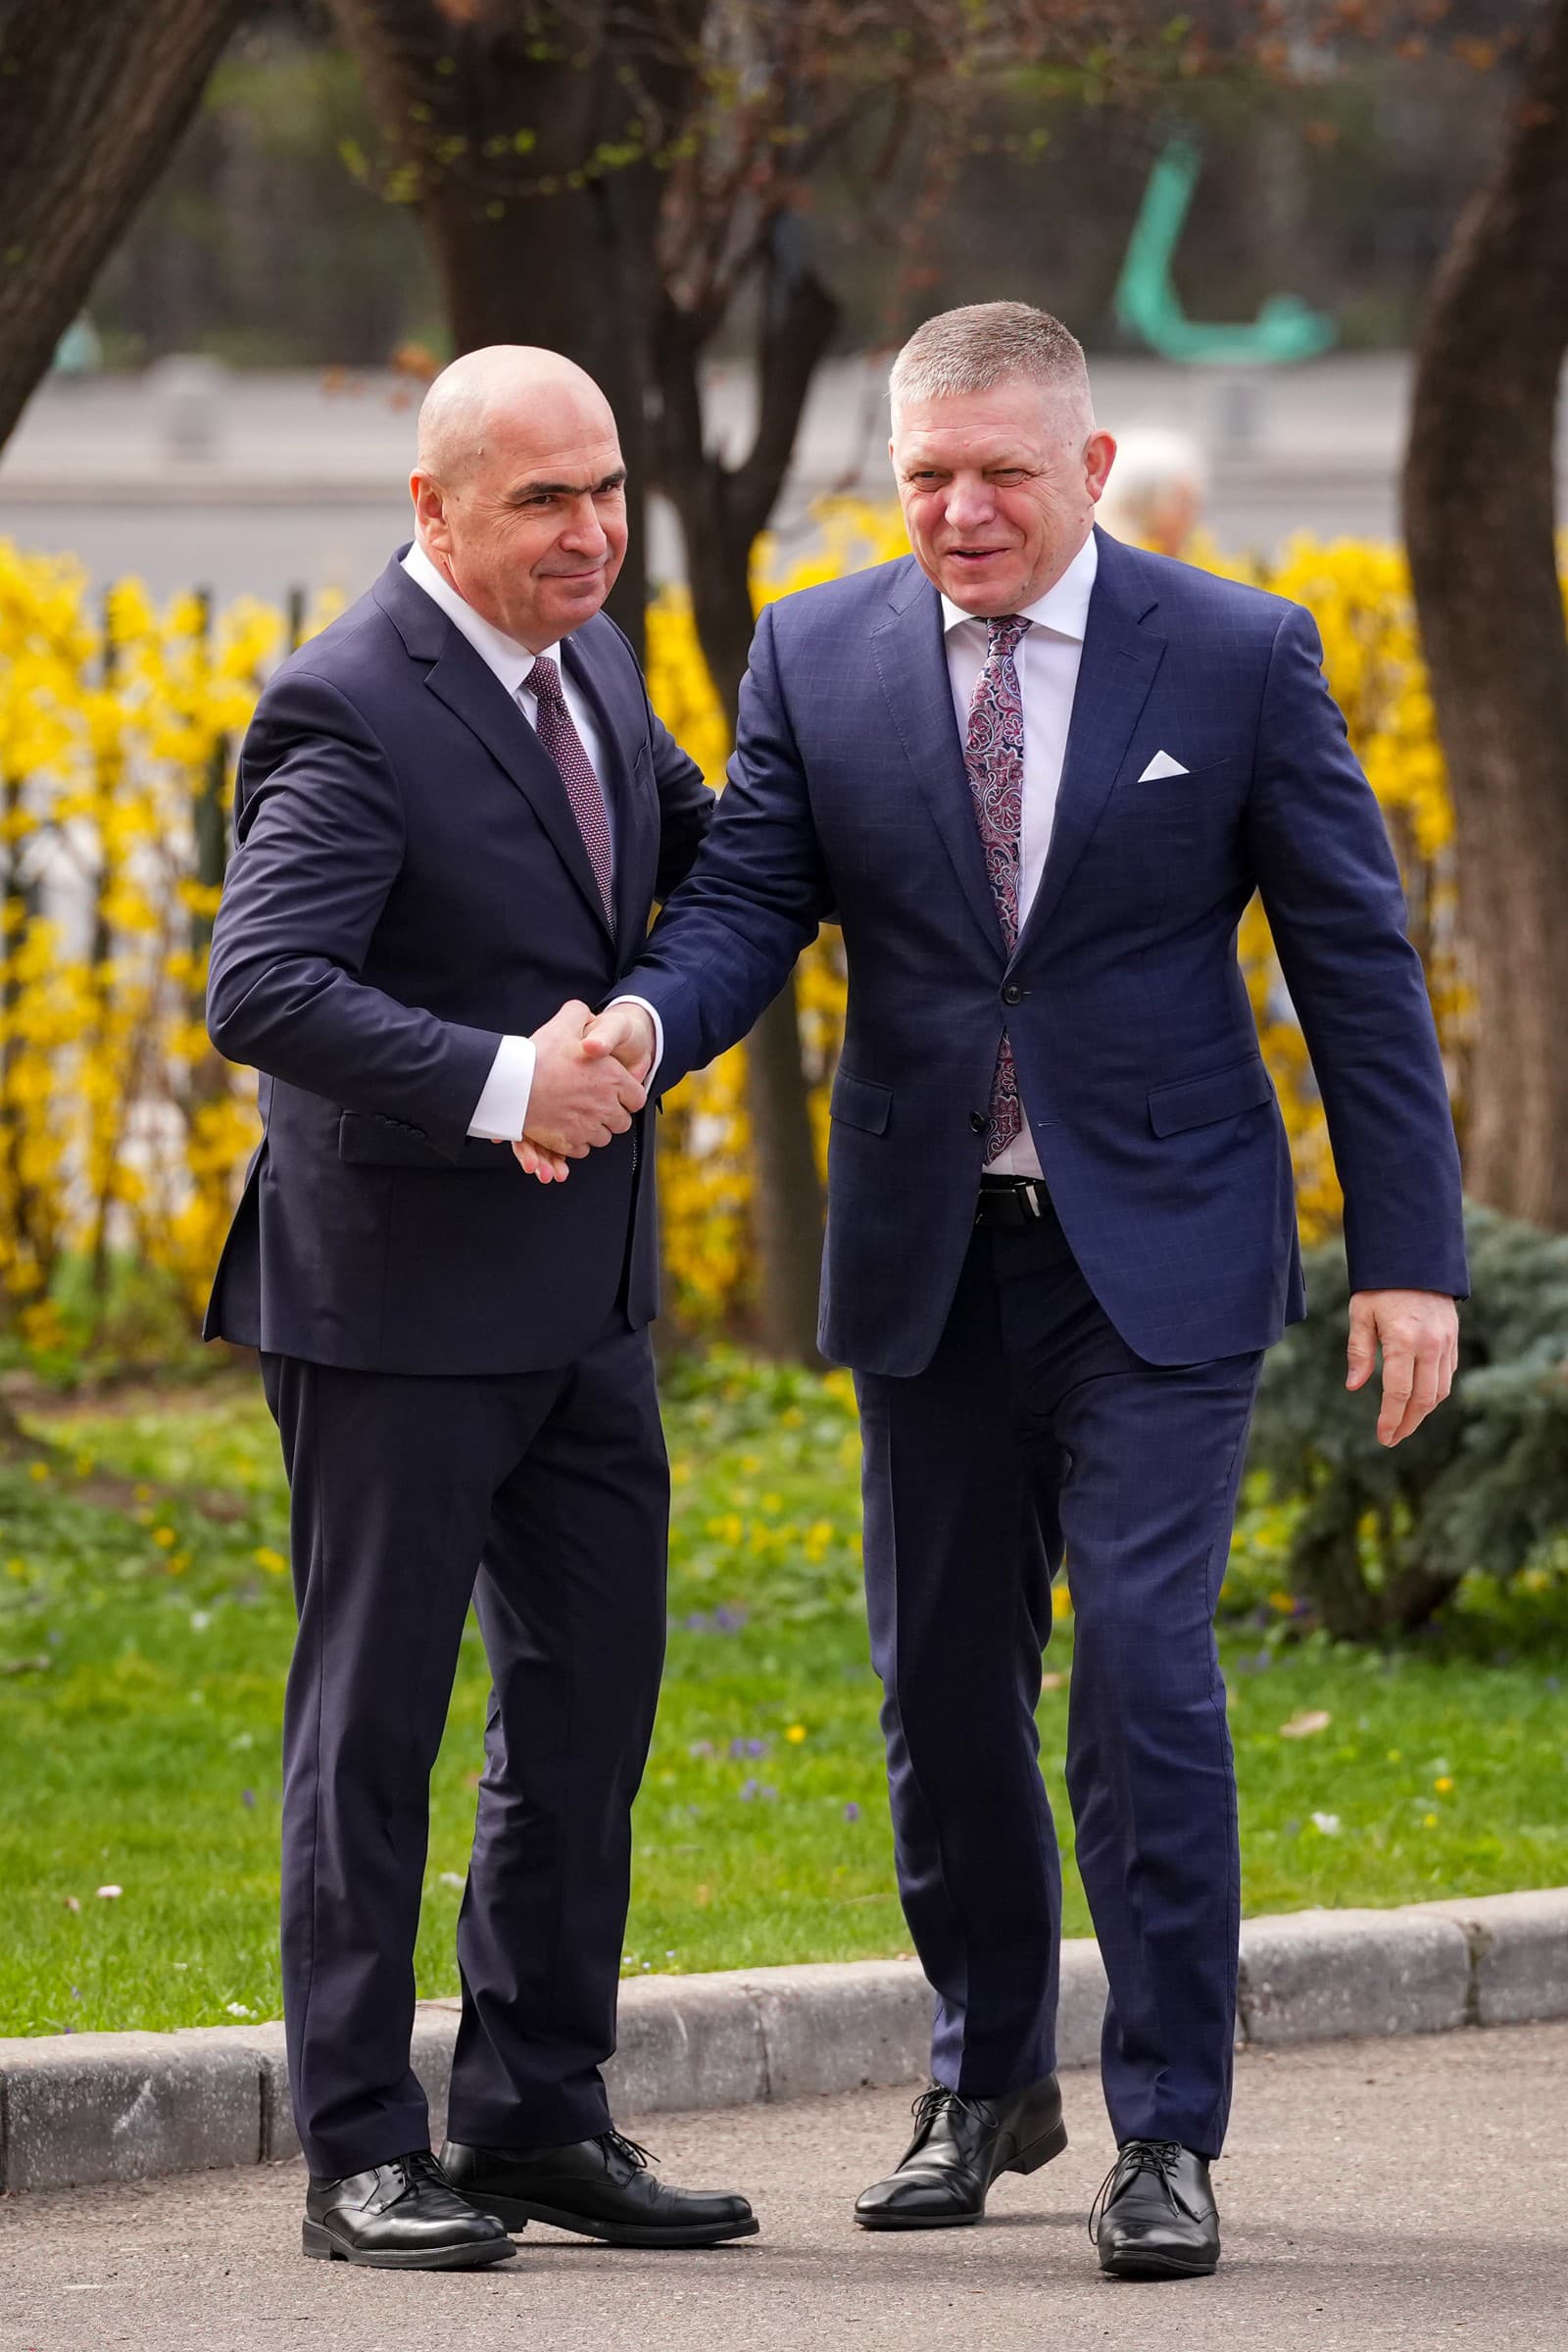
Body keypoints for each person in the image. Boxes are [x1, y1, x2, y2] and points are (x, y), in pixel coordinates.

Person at [555, 302, 1467, 2280]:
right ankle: (985, 2075)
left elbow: (1354, 965)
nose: (958, 514)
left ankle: (1163, 2127)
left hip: (1160, 1262)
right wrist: (639, 1024)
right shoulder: (818, 649)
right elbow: (742, 906)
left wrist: (1406, 1256)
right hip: (928, 1257)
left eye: (997, 475)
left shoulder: (1230, 655)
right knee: (941, 1696)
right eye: (923, 479)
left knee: (1142, 1676)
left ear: (1088, 471)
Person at [203, 346, 757, 2270]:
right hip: (391, 1316)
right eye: (543, 501)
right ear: (432, 511)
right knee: (369, 1739)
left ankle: (533, 2118)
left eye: (603, 490)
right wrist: (509, 1080)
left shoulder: (588, 651)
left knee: (584, 1714)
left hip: (582, 1308)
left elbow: (703, 859)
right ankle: (358, 2151)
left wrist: (648, 1014)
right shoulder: (349, 709)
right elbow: (260, 985)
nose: (590, 531)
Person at [1095, 423, 1208, 555]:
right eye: (1182, 503)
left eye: (1194, 502)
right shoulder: (1114, 558)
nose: (1191, 514)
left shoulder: (1196, 557)